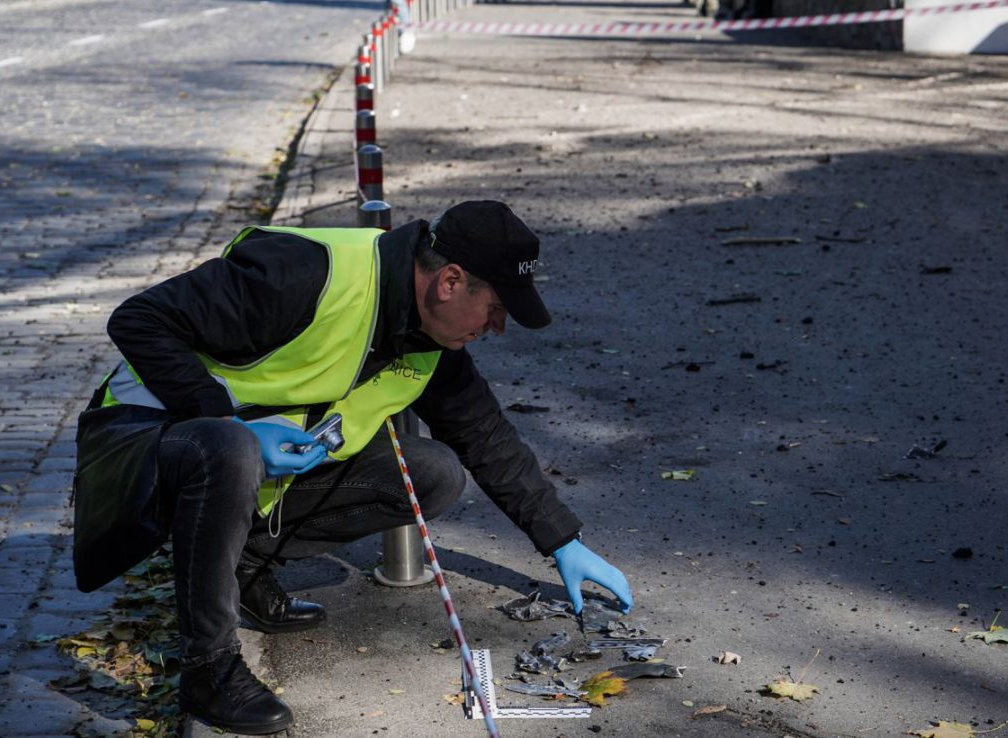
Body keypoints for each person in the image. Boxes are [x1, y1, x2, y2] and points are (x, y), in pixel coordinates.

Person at [73, 200, 633, 735]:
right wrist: (229, 420)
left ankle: (241, 565)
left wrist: (562, 540)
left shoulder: (427, 333)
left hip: (244, 468)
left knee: (433, 473)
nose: (496, 329)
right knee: (230, 449)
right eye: (496, 310)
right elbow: (138, 319)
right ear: (451, 280)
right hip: (146, 443)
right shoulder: (302, 274)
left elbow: (484, 435)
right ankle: (208, 671)